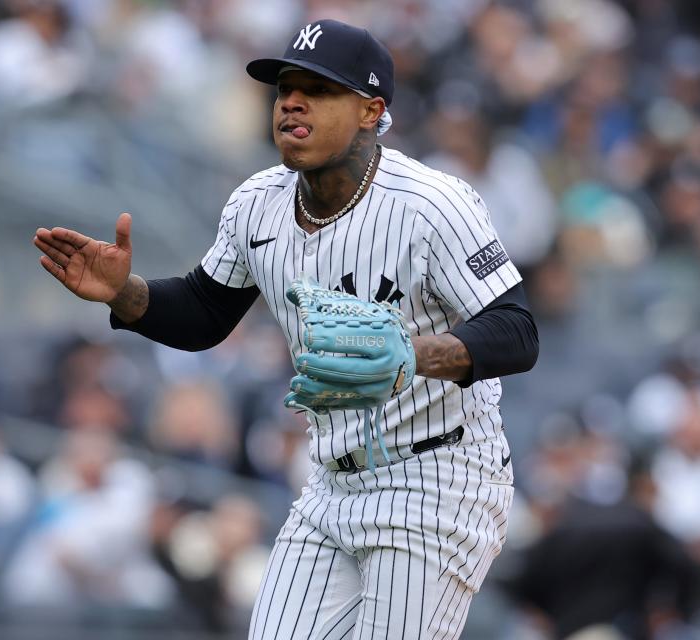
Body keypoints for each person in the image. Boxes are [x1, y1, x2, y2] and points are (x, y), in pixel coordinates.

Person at [34, 19, 538, 639]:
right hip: (331, 480)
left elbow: (518, 330)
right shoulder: (256, 203)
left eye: (318, 90)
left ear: (369, 110)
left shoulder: (432, 203)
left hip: (437, 477)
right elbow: (204, 312)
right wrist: (125, 293)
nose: (291, 102)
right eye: (283, 89)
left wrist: (413, 352)